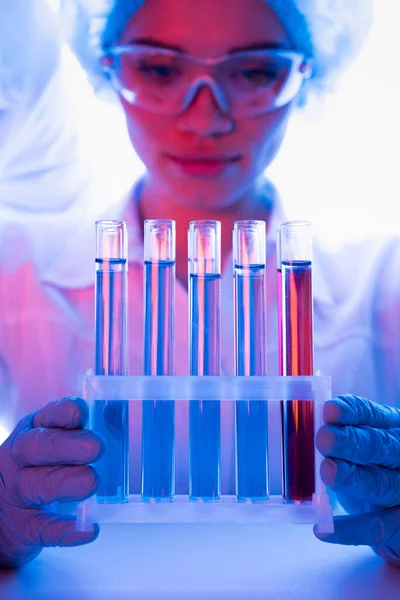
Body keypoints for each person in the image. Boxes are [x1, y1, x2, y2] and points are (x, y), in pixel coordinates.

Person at [2, 0, 400, 570]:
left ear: (305, 74)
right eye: (160, 70)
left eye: (254, 71)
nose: (205, 119)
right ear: (108, 68)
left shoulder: (385, 282)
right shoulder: (16, 273)